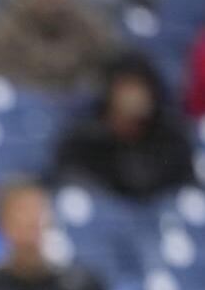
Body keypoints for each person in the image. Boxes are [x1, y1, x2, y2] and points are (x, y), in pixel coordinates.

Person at [55, 52, 194, 200]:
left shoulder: (172, 139)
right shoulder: (83, 140)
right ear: (110, 91)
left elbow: (186, 191)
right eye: (128, 87)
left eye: (142, 87)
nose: (136, 96)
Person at [0, 0, 118, 91]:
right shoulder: (6, 28)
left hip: (77, 102)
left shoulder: (86, 22)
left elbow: (102, 62)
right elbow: (5, 76)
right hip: (28, 102)